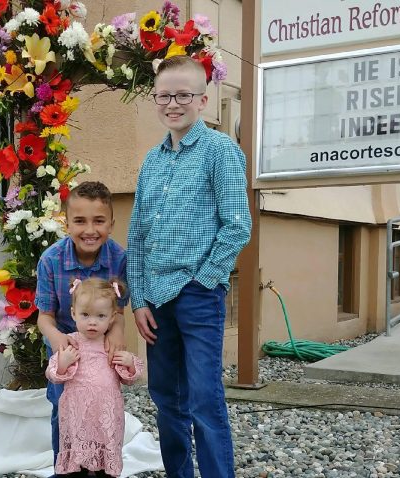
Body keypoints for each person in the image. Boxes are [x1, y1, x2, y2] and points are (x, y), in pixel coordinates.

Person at [127, 55, 252, 478]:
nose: (172, 104)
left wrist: (205, 280)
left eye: (183, 95)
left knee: (203, 398)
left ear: (202, 99)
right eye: (164, 96)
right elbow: (137, 235)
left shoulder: (220, 151)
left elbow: (237, 225)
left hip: (198, 295)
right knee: (166, 397)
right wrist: (138, 298)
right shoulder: (152, 161)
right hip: (155, 298)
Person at [35, 181, 128, 475]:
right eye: (80, 221)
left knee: (101, 408)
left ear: (111, 224)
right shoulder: (51, 260)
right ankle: (66, 468)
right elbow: (44, 317)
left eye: (99, 221)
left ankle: (101, 466)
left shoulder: (118, 258)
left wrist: (117, 331)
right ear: (67, 223)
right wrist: (58, 340)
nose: (90, 230)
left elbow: (118, 311)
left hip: (99, 345)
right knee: (62, 408)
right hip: (67, 344)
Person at [46, 278, 143, 478]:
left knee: (104, 463)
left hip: (106, 415)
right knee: (77, 463)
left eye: (100, 316)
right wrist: (63, 363)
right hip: (77, 415)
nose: (92, 322)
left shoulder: (111, 345)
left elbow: (129, 379)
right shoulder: (71, 344)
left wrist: (130, 363)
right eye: (85, 315)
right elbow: (53, 374)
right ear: (73, 313)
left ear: (112, 317)